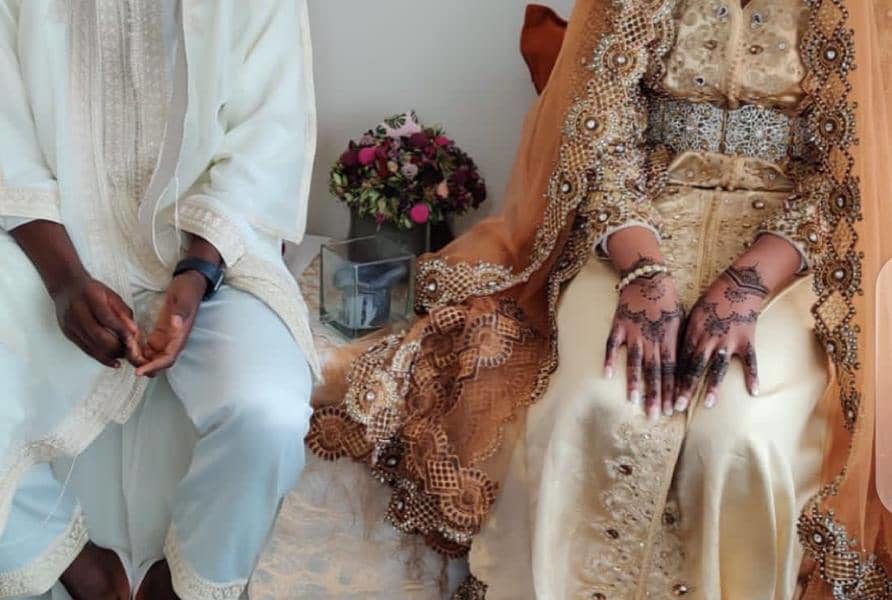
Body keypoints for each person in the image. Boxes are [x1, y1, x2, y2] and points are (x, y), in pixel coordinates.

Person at [308, 0, 892, 598]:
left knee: (739, 436)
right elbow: (600, 130)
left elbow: (862, 159)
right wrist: (643, 270)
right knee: (592, 402)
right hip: (639, 224)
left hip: (791, 252)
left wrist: (747, 286)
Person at [0, 1, 317, 598]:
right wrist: (65, 281)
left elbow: (268, 135)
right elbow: (5, 132)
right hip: (48, 239)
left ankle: (179, 586)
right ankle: (80, 568)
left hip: (217, 249)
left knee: (268, 413)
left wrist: (198, 271)